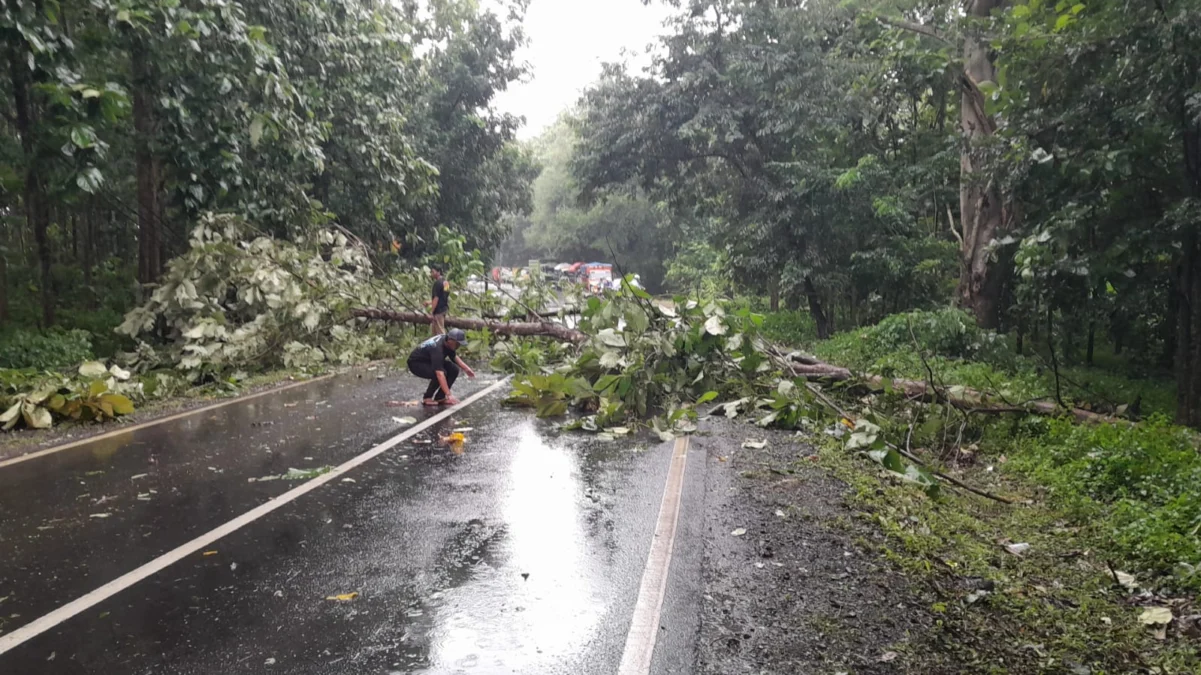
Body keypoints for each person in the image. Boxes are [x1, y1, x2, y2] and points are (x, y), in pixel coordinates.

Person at [408, 328, 476, 406]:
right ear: (451, 340)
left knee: (454, 369)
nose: (458, 346)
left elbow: (454, 356)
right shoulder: (437, 349)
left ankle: (440, 397)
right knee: (441, 373)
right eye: (457, 344)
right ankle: (427, 397)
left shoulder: (447, 341)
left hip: (428, 360)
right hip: (416, 363)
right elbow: (439, 374)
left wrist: (466, 369)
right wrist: (449, 395)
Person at [426, 265, 450, 336]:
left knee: (440, 333)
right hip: (444, 309)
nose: (432, 274)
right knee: (435, 332)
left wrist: (432, 312)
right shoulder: (446, 283)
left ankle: (444, 345)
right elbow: (443, 297)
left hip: (438, 311)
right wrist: (430, 302)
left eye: (433, 272)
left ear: (438, 272)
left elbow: (436, 298)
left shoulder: (437, 283)